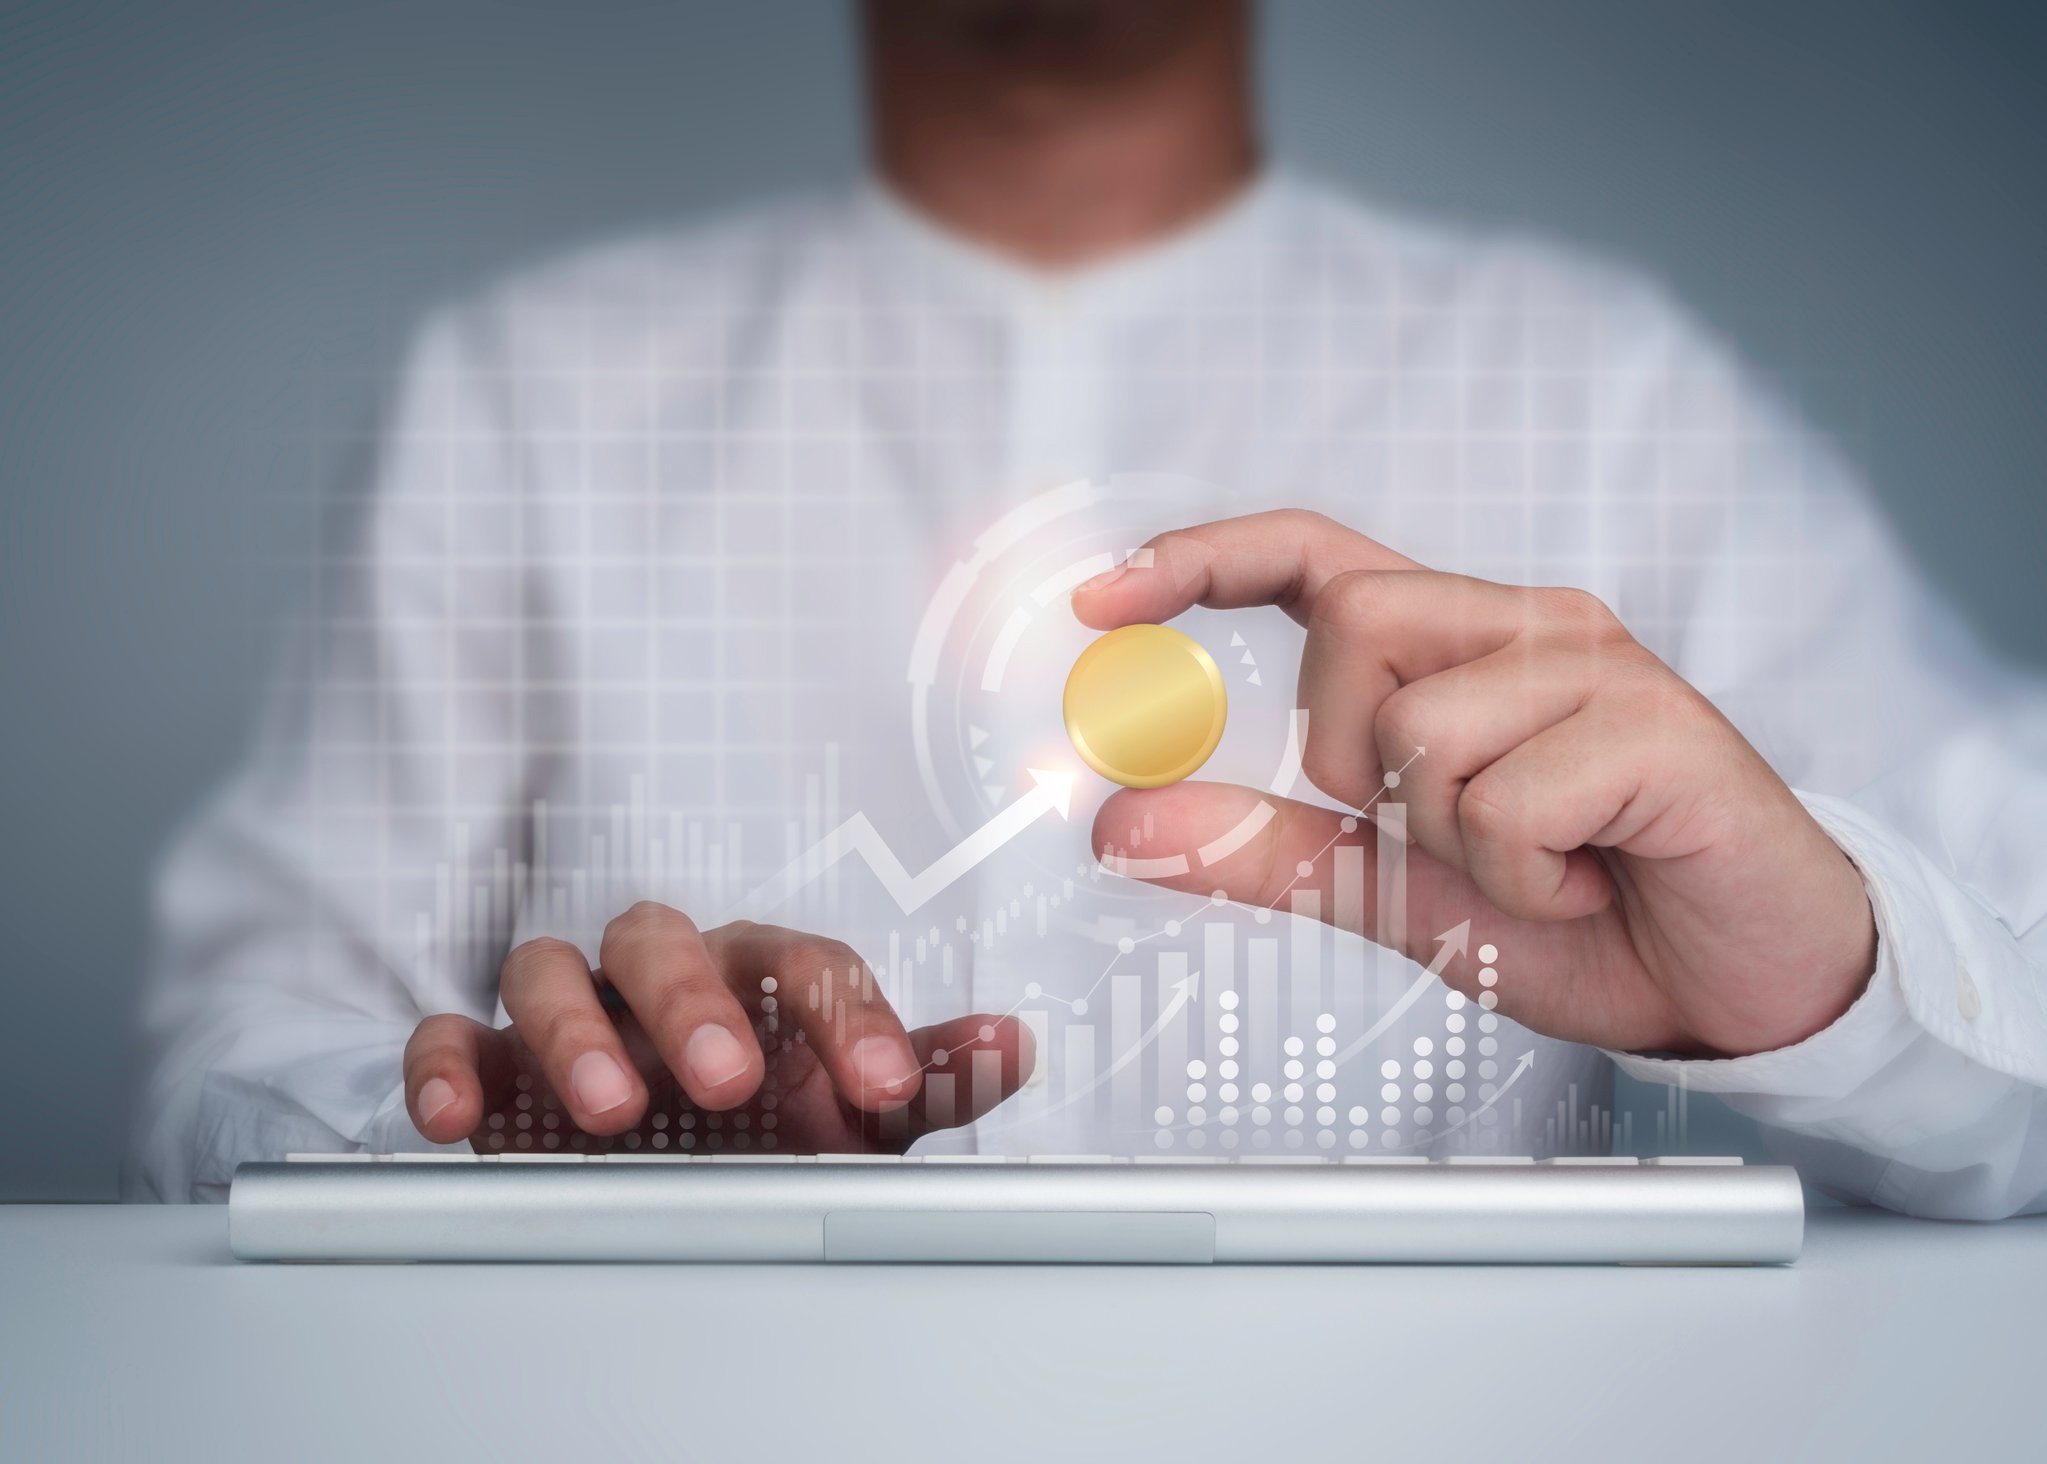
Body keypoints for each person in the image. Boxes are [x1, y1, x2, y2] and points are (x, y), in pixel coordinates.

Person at [131, 0, 2047, 1217]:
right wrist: (494, 1126)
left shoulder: (1609, 390)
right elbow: (234, 1050)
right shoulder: (528, 392)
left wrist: (1831, 984)